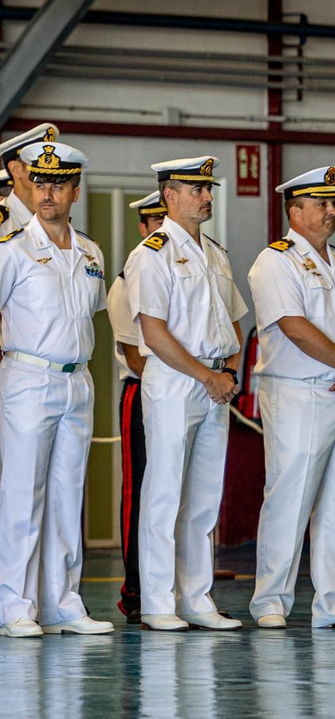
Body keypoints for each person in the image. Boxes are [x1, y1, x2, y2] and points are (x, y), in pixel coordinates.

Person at [0, 142, 113, 637]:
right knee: (21, 494)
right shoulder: (12, 248)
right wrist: (3, 361)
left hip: (78, 379)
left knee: (67, 495)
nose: (46, 193)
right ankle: (15, 606)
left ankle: (63, 602)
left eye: (57, 185)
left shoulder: (90, 251)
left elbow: (86, 316)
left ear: (74, 190)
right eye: (39, 183)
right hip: (28, 377)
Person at [124, 156, 245, 632]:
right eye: (196, 190)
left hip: (216, 384)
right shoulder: (151, 253)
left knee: (203, 497)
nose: (207, 196)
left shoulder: (215, 252)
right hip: (177, 382)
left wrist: (229, 372)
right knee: (164, 493)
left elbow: (233, 320)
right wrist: (208, 376)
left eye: (208, 189)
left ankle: (196, 598)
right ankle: (157, 602)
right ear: (169, 197)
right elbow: (153, 333)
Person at [0, 122, 59, 611]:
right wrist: (5, 364)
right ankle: (0, 583)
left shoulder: (60, 221)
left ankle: (47, 586)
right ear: (16, 168)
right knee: (14, 476)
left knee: (57, 481)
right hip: (12, 360)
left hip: (58, 367)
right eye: (36, 162)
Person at [247, 167, 335, 629]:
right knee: (290, 497)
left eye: (333, 203)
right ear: (295, 211)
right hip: (298, 392)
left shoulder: (333, 259)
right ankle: (270, 602)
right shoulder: (275, 261)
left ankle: (331, 604)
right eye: (321, 204)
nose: (332, 211)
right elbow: (294, 327)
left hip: (333, 387)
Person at [108, 190, 166, 623]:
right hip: (143, 392)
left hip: (187, 394)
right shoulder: (128, 281)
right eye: (155, 221)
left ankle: (178, 588)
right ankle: (136, 591)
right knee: (142, 494)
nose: (163, 228)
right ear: (143, 227)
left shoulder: (191, 271)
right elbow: (134, 356)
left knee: (179, 496)